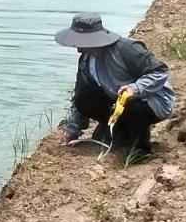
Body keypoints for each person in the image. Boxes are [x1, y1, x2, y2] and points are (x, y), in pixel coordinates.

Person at [54, 12, 174, 158]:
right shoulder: (85, 60)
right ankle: (114, 127)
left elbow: (159, 70)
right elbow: (79, 93)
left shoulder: (126, 48)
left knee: (132, 107)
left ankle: (139, 149)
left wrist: (134, 89)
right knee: (83, 97)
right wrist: (72, 130)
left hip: (151, 100)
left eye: (82, 43)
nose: (79, 49)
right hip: (117, 101)